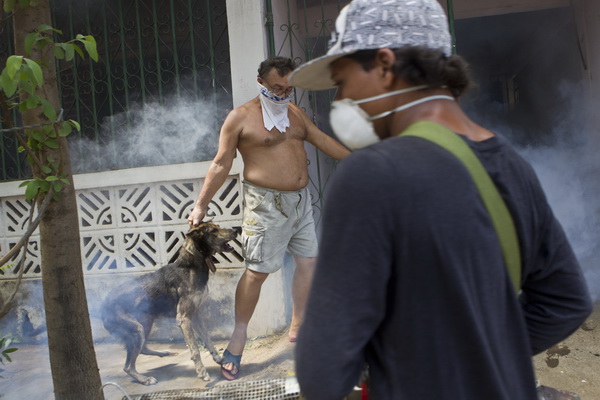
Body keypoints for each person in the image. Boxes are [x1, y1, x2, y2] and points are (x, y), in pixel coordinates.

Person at [289, 1, 593, 399]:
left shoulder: (371, 174)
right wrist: (481, 355)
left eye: (342, 80)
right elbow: (566, 300)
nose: (341, 98)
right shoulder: (511, 164)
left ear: (383, 65)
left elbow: (323, 368)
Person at [187, 56, 350, 380]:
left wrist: (363, 159)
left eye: (289, 88)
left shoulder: (295, 114)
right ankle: (238, 339)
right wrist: (201, 205)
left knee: (308, 262)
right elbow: (221, 163)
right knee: (258, 272)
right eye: (277, 87)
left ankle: (298, 323)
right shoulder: (240, 118)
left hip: (301, 203)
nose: (283, 93)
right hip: (265, 205)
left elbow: (323, 140)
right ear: (261, 82)